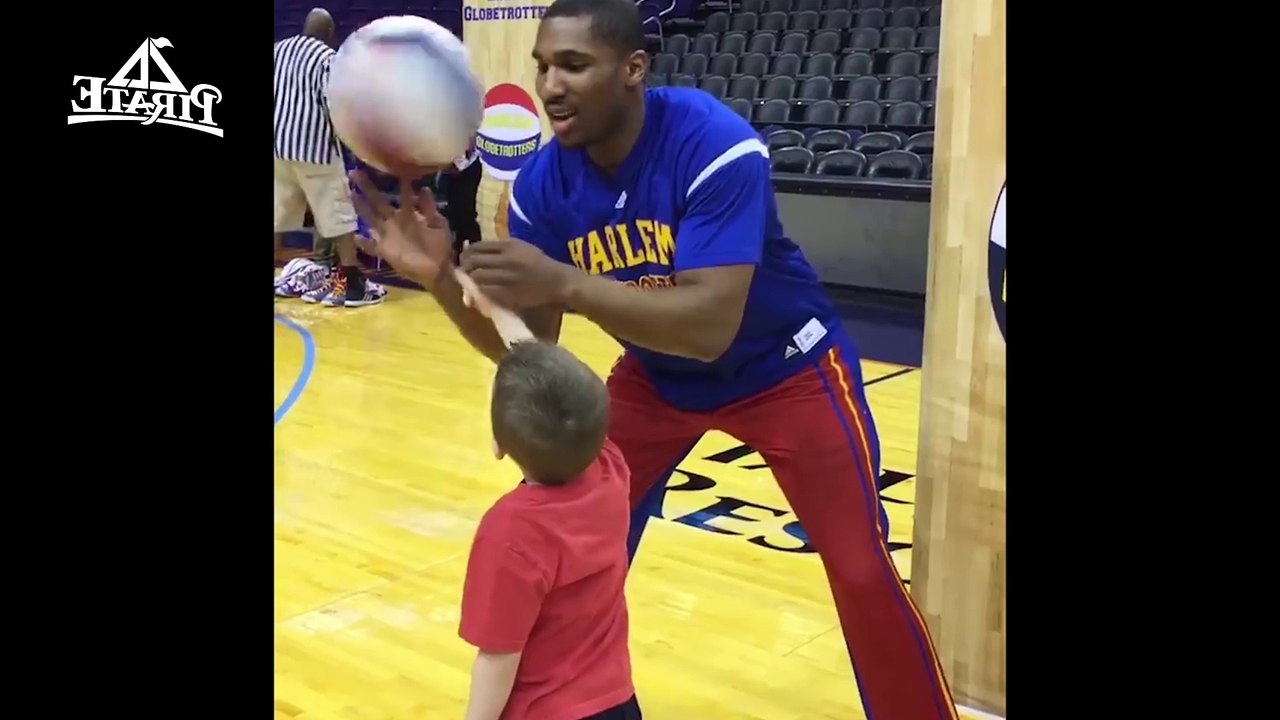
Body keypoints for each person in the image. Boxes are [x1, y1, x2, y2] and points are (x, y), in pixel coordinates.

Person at [350, 0, 958, 716]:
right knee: (568, 530)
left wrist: (566, 282)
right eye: (543, 67)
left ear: (633, 68)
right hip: (657, 377)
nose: (550, 86)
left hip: (785, 369)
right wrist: (440, 279)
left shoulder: (712, 143)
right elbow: (532, 351)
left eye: (574, 65)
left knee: (859, 568)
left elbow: (709, 328)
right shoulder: (542, 186)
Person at [459, 340, 640, 720]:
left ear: (498, 446)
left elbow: (498, 657)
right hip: (618, 702)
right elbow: (568, 401)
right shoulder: (611, 467)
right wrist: (502, 315)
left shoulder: (512, 531)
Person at [273, 7, 385, 308]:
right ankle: (351, 285)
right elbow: (334, 105)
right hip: (314, 148)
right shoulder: (328, 59)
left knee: (276, 215)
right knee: (339, 215)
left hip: (277, 147)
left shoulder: (277, 51)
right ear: (330, 34)